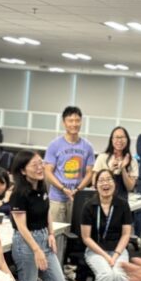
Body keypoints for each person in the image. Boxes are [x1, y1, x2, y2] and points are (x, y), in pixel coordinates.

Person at [76, 169, 141, 281]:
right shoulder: (89, 206)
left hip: (118, 251)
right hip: (96, 251)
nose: (105, 183)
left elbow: (126, 234)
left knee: (120, 275)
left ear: (114, 183)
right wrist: (106, 257)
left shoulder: (122, 204)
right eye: (101, 180)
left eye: (109, 180)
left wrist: (116, 254)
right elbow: (86, 238)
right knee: (106, 275)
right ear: (95, 185)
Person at [8, 150, 64, 281]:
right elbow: (21, 226)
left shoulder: (42, 186)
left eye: (41, 163)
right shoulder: (18, 194)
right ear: (23, 171)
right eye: (35, 165)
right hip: (26, 242)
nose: (40, 167)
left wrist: (51, 234)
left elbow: (47, 211)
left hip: (43, 237)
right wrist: (36, 249)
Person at [44, 106, 95, 259]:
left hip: (77, 199)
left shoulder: (87, 146)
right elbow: (48, 171)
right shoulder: (55, 145)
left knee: (75, 234)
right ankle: (52, 269)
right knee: (55, 234)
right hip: (57, 198)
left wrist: (78, 189)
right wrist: (63, 187)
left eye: (77, 120)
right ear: (64, 123)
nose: (74, 124)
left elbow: (89, 172)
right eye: (70, 120)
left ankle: (68, 267)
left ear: (81, 122)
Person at [92, 126, 138, 202]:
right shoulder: (102, 157)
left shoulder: (132, 161)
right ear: (111, 140)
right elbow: (94, 183)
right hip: (102, 201)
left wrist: (123, 169)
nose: (119, 140)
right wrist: (110, 170)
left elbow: (130, 187)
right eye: (116, 137)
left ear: (127, 140)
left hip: (122, 202)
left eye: (122, 137)